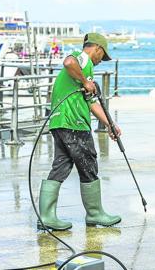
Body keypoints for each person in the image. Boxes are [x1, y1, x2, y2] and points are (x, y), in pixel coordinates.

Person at [38, 33, 122, 231]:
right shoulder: (83, 59)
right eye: (103, 56)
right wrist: (85, 81)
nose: (102, 61)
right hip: (74, 122)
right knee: (88, 162)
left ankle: (47, 217)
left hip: (59, 121)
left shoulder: (85, 68)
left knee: (61, 166)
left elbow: (91, 102)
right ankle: (94, 213)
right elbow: (68, 62)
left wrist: (110, 124)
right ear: (97, 49)